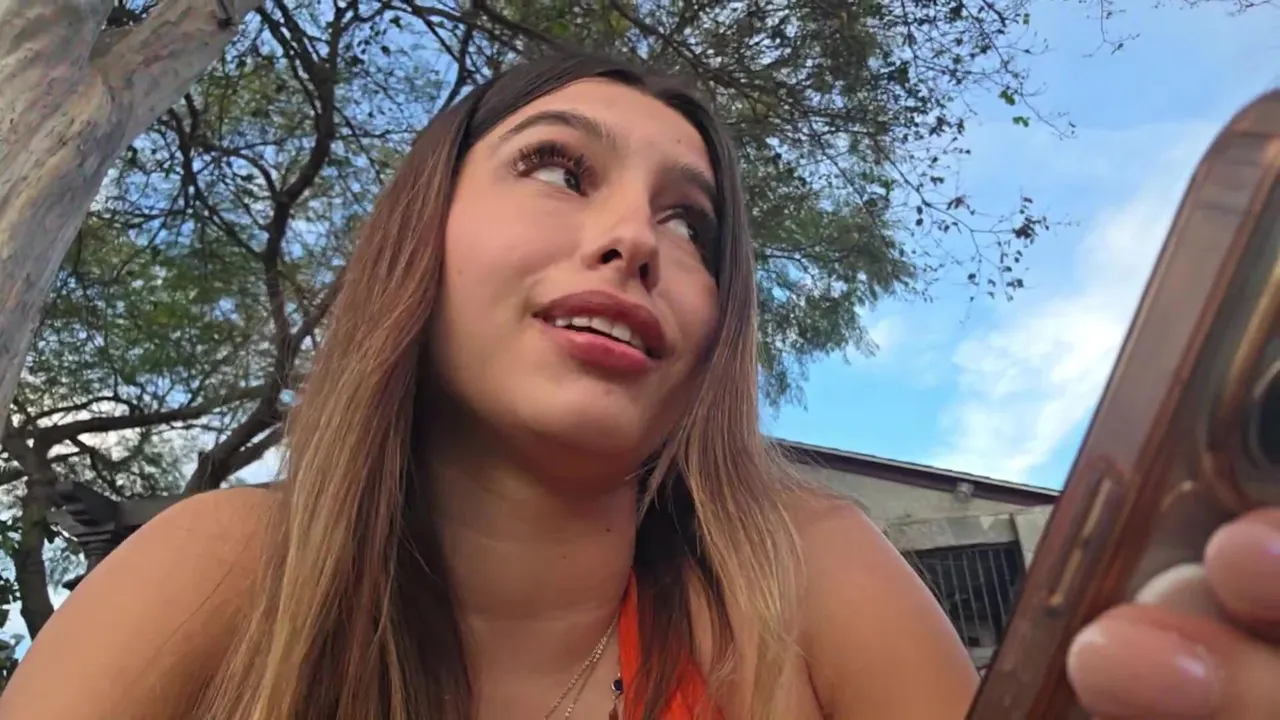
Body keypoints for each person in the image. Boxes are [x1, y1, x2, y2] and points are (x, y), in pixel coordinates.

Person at [1, 51, 1277, 720]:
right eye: (559, 169)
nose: (633, 241)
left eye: (691, 224)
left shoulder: (806, 583)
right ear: (419, 243)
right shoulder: (217, 572)